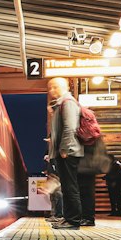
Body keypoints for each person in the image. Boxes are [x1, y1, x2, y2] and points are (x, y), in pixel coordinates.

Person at [46, 77, 86, 229]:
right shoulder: (59, 104)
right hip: (64, 151)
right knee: (66, 186)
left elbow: (70, 127)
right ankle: (68, 218)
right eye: (49, 88)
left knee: (70, 187)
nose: (51, 91)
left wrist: (64, 148)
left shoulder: (67, 102)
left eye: (54, 87)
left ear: (63, 87)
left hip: (68, 152)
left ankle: (73, 220)